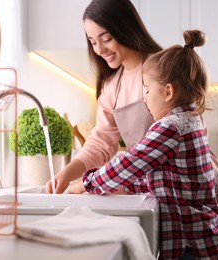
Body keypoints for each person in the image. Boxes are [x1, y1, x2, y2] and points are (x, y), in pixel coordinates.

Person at [68, 30, 218, 259]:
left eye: (147, 90)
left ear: (168, 92)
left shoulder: (170, 127)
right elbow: (166, 183)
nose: (144, 98)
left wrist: (86, 183)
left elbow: (130, 163)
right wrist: (126, 188)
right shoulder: (189, 119)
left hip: (193, 246)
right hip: (205, 241)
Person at [46, 0, 162, 194]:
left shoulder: (163, 67)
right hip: (154, 187)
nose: (99, 50)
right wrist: (67, 173)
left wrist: (91, 183)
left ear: (126, 28)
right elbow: (101, 142)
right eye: (92, 42)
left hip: (192, 186)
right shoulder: (111, 86)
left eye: (106, 39)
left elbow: (166, 140)